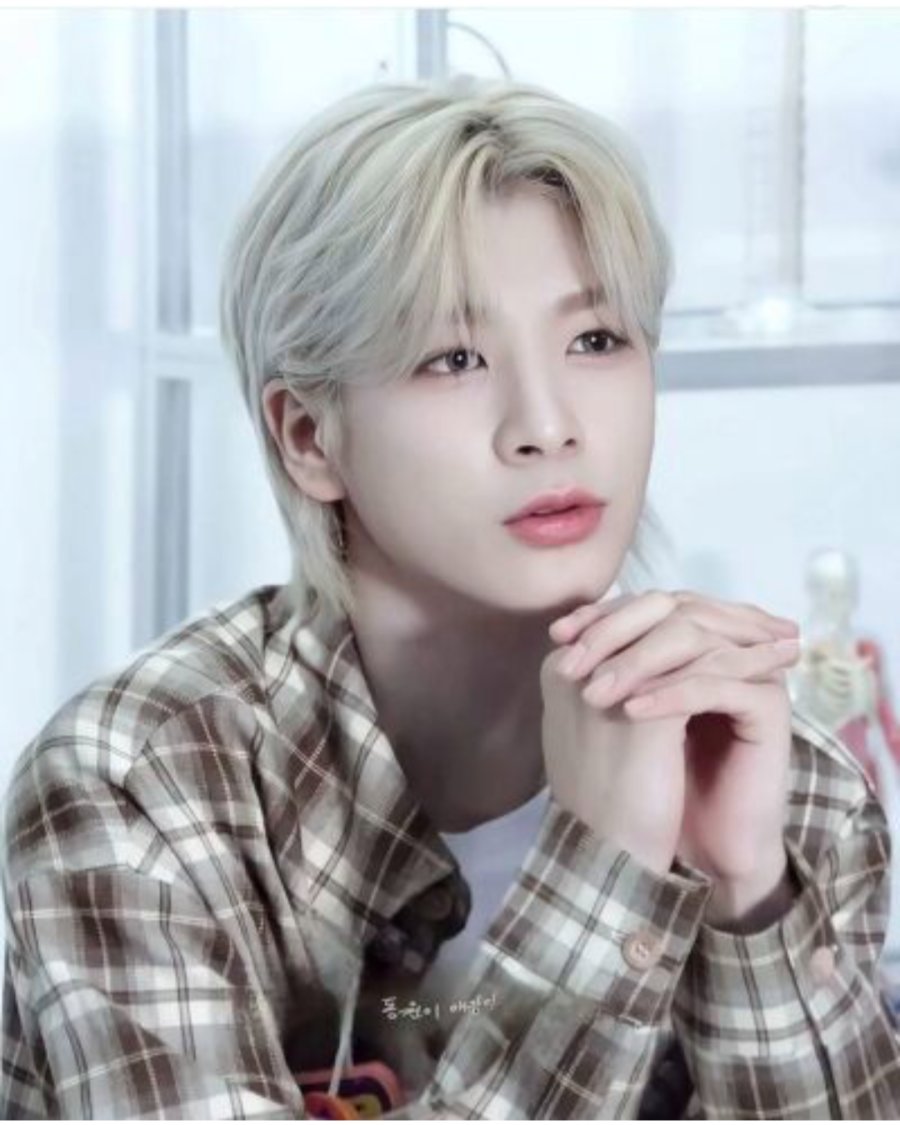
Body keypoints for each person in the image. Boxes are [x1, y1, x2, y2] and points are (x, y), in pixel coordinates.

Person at [2, 74, 898, 1119]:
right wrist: (606, 872)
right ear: (309, 436)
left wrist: (752, 895)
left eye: (596, 339)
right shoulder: (135, 793)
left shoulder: (777, 780)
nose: (548, 425)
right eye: (454, 357)